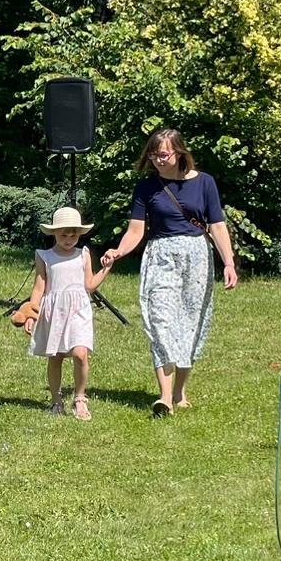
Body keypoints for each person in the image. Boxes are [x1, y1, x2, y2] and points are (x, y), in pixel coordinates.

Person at [100, 128, 239, 417]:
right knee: (159, 319)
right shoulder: (147, 187)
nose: (157, 160)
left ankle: (179, 392)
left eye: (162, 154)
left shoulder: (205, 183)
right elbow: (136, 230)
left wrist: (228, 262)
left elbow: (217, 226)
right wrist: (118, 251)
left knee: (190, 321)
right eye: (153, 155)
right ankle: (164, 397)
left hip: (197, 257)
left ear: (179, 152)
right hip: (160, 256)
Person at [26, 207, 114, 421]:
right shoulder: (44, 256)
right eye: (63, 234)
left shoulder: (83, 254)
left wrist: (107, 268)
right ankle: (56, 400)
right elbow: (39, 287)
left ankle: (80, 398)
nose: (68, 239)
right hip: (54, 311)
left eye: (73, 235)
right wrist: (31, 312)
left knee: (80, 353)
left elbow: (89, 285)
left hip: (78, 311)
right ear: (54, 233)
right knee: (55, 357)